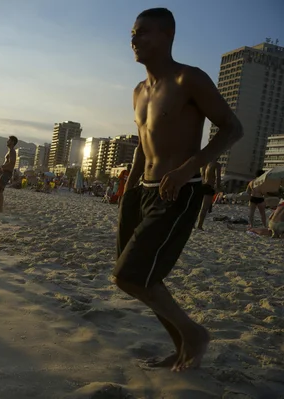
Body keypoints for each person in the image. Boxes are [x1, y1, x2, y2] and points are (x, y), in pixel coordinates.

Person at [116, 8, 243, 373]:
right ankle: (181, 348)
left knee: (130, 275)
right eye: (132, 34)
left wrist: (190, 167)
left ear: (168, 35)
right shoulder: (138, 92)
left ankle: (194, 335)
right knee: (141, 278)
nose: (135, 40)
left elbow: (232, 128)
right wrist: (129, 189)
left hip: (179, 190)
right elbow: (144, 143)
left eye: (143, 33)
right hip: (142, 191)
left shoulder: (190, 79)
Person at [0, 136, 17, 212]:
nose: (7, 141)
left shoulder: (12, 151)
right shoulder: (9, 151)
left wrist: (1, 167)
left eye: (9, 140)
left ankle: (0, 208)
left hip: (7, 172)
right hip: (3, 171)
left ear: (12, 142)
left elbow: (11, 163)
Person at [196, 161, 221, 230]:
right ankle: (199, 225)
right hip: (210, 187)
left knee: (198, 207)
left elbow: (202, 175)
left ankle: (192, 224)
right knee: (204, 208)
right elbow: (218, 177)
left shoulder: (205, 164)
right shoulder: (216, 165)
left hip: (202, 185)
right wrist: (218, 187)